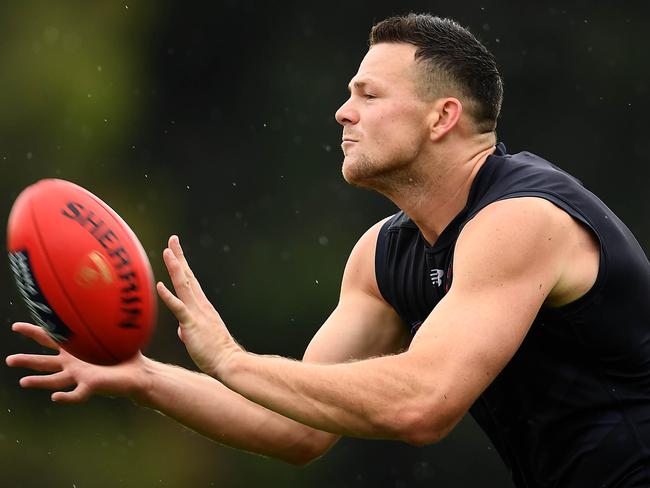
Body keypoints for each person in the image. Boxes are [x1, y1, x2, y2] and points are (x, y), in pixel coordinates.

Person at [7, 13, 650, 487]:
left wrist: (231, 359)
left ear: (442, 117)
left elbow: (423, 403)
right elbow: (299, 427)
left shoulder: (521, 219)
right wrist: (146, 376)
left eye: (369, 95)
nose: (343, 113)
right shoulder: (383, 256)